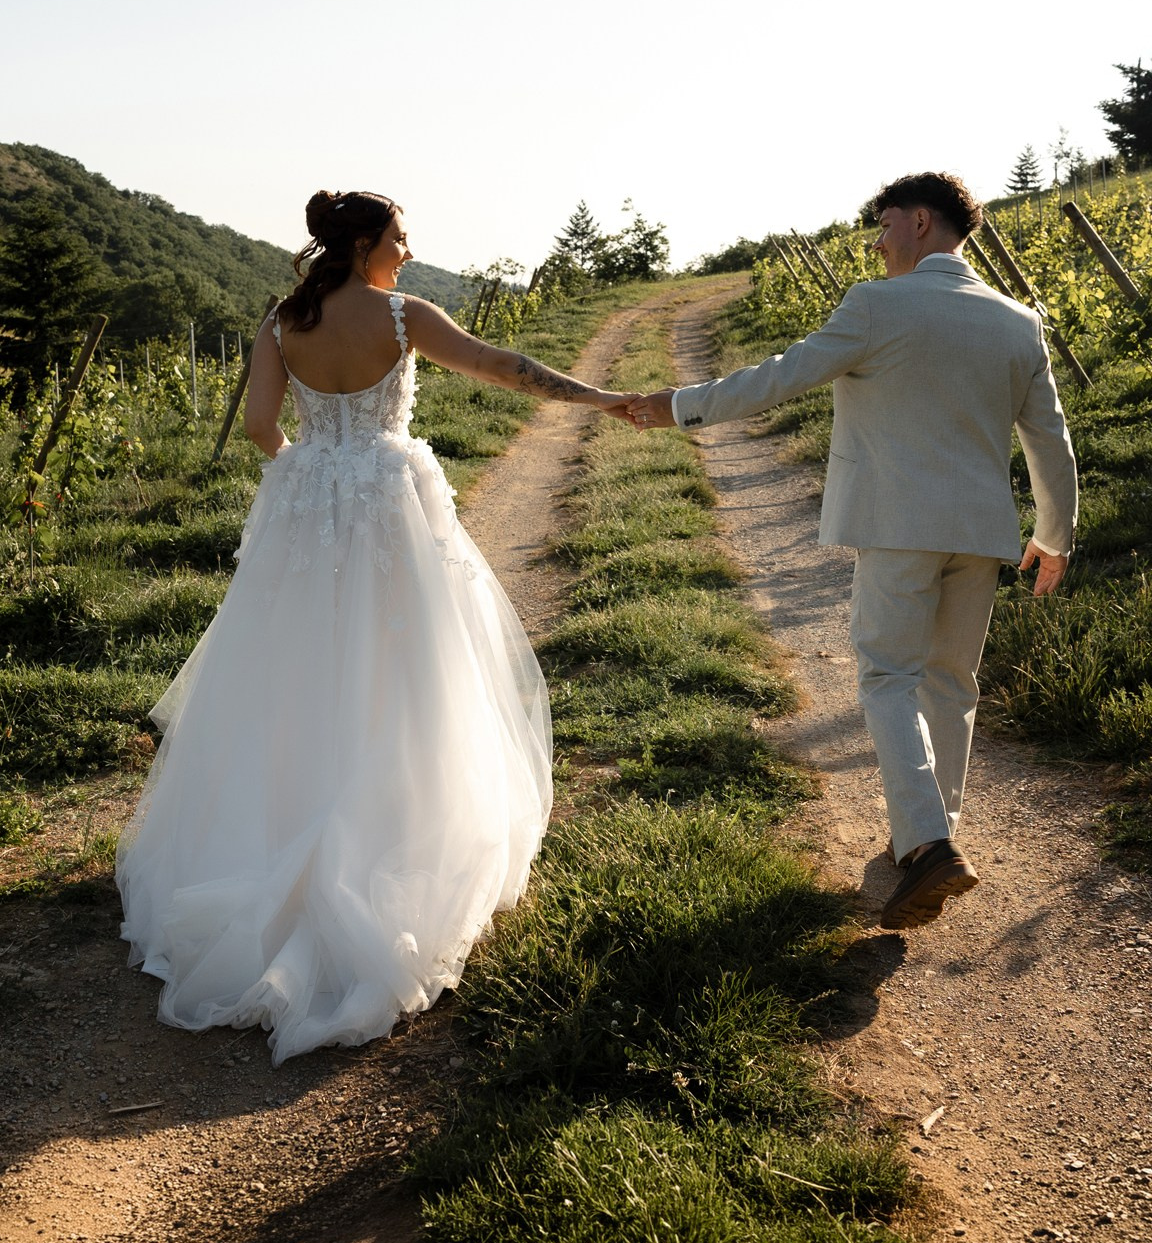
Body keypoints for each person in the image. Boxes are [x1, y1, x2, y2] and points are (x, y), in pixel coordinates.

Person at [117, 189, 635, 1064]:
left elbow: (257, 426)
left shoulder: (286, 320)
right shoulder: (404, 316)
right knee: (408, 675)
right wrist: (603, 398)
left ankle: (277, 828)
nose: (408, 245)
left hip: (308, 505)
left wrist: (312, 476)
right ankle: (390, 837)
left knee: (290, 675)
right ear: (366, 244)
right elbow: (503, 367)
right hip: (390, 508)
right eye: (399, 235)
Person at [627, 172, 1077, 930]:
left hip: (897, 526)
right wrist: (1054, 535)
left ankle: (928, 845)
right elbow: (1050, 439)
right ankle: (931, 837)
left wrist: (677, 406)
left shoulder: (875, 305)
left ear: (924, 223)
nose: (876, 239)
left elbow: (780, 378)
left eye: (885, 223)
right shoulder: (1016, 320)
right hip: (981, 534)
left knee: (888, 678)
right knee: (951, 684)